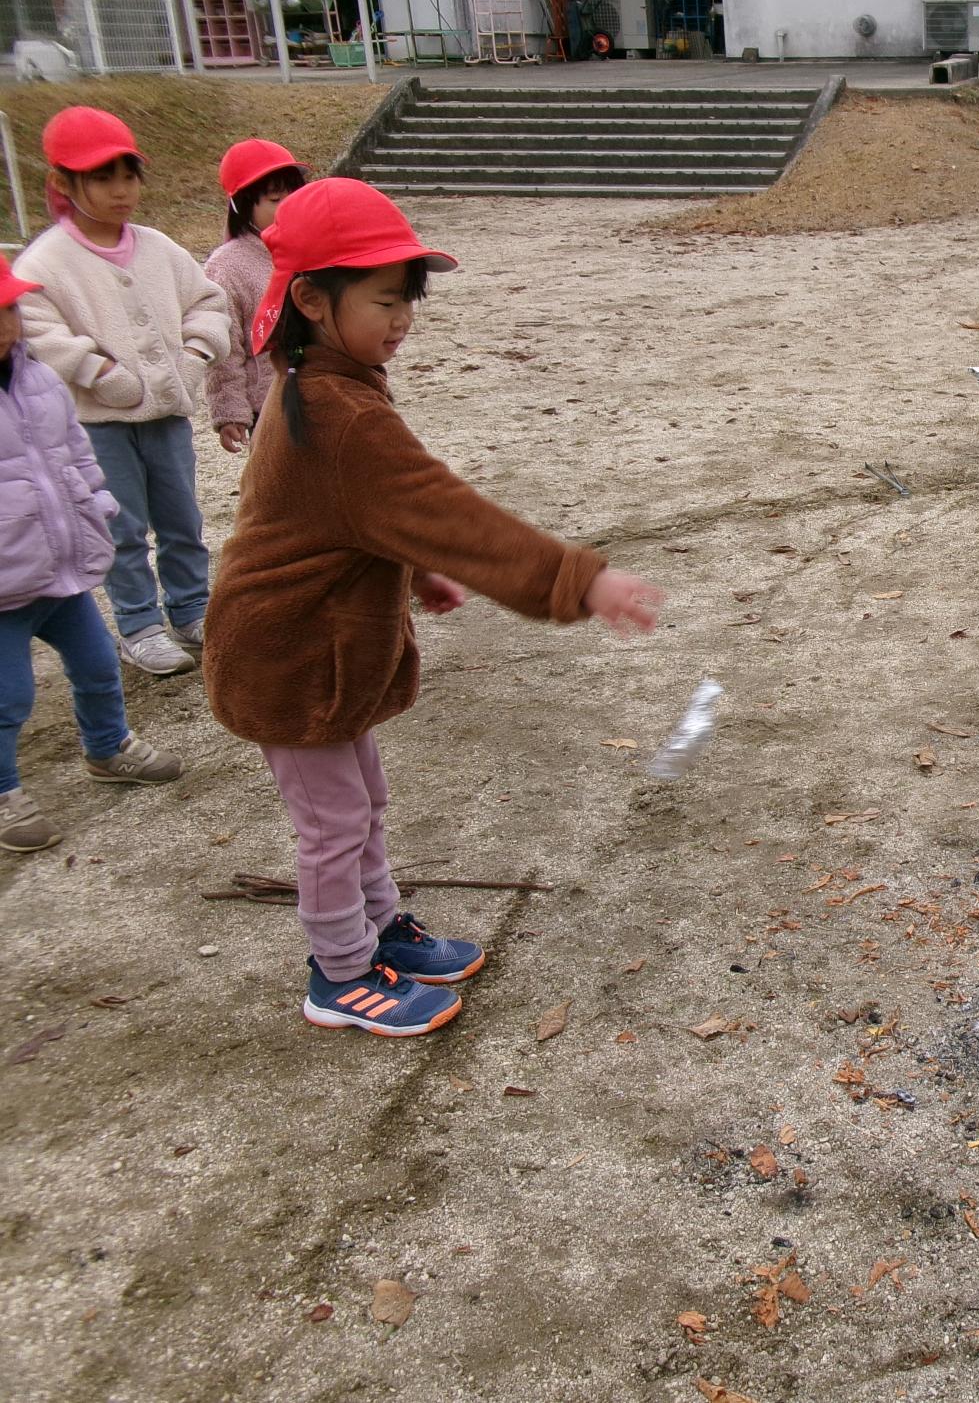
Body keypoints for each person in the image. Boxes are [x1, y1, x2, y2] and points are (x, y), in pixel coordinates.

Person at [203, 178, 663, 1038]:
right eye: (384, 300)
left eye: (408, 300)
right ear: (310, 297)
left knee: (362, 801)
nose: (403, 319)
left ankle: (378, 930)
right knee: (333, 821)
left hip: (320, 650)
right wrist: (577, 580)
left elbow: (363, 513)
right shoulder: (332, 408)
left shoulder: (326, 380)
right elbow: (441, 509)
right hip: (288, 658)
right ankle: (339, 973)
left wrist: (414, 572)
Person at [16, 107, 230, 678]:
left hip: (167, 414)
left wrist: (194, 357)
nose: (121, 191)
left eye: (129, 176)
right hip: (99, 423)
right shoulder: (46, 260)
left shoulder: (159, 248)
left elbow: (209, 301)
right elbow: (36, 328)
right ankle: (139, 625)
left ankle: (191, 608)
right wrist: (99, 372)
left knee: (183, 517)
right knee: (123, 526)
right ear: (64, 183)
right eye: (103, 178)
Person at [0, 252, 183, 852]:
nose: (9, 323)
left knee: (100, 665)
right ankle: (5, 793)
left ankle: (108, 748)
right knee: (10, 695)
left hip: (59, 568)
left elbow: (76, 451)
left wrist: (95, 505)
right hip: (4, 585)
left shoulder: (40, 378)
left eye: (10, 309)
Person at [205, 139, 308, 454]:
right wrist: (230, 411)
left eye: (295, 196)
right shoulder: (227, 266)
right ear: (242, 204)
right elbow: (225, 347)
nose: (288, 206)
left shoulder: (313, 250)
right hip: (269, 405)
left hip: (324, 393)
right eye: (276, 199)